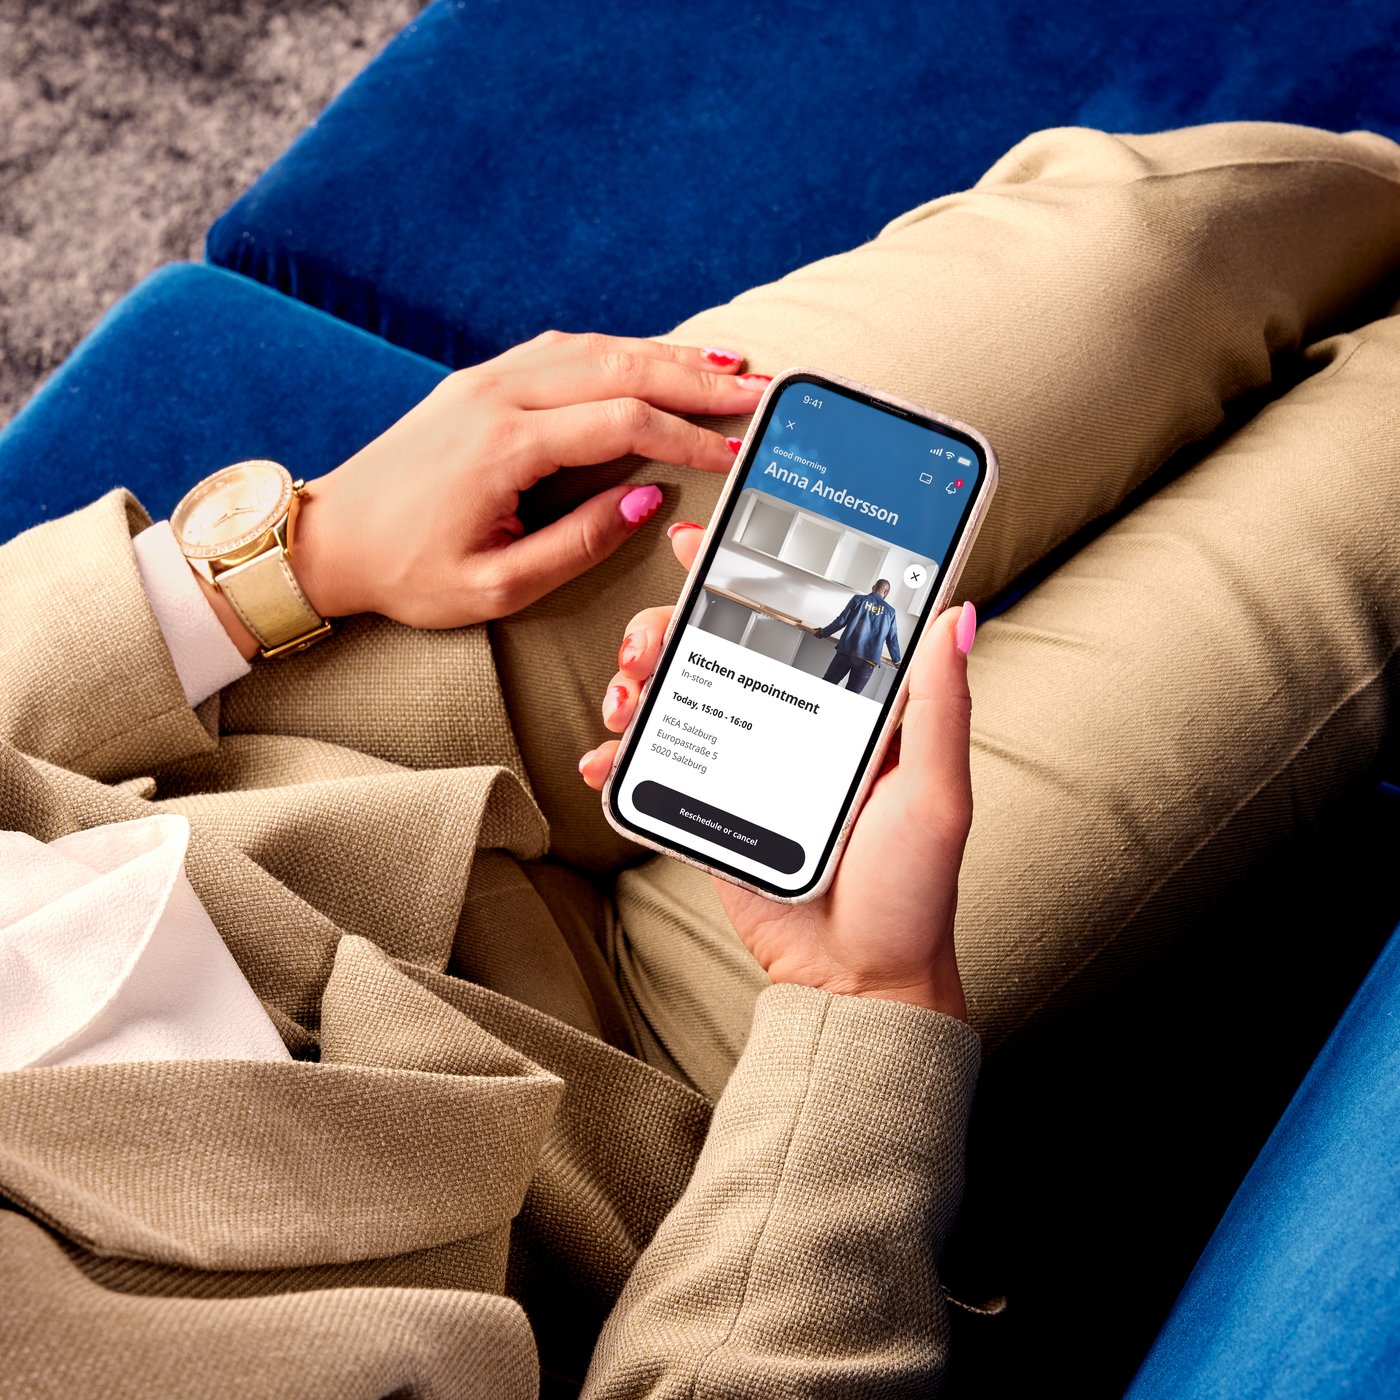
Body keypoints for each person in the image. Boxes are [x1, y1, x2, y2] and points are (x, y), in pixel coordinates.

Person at [3, 118, 1400, 1397]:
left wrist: (268, 563)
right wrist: (862, 998)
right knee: (1371, 491)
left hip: (323, 732)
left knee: (1135, 258)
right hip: (681, 1115)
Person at [809, 576, 902, 693]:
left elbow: (841, 621)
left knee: (827, 684)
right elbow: (892, 639)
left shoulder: (858, 600)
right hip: (868, 660)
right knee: (852, 696)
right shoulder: (890, 612)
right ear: (886, 592)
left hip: (846, 652)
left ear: (873, 588)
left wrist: (823, 632)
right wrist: (897, 660)